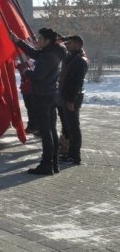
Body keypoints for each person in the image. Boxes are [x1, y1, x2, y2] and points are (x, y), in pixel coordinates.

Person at [13, 27, 67, 176]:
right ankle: (53, 163)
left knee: (46, 132)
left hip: (44, 96)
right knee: (51, 130)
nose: (38, 41)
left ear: (48, 40)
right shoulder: (52, 51)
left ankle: (46, 164)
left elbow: (38, 75)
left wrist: (26, 71)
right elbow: (35, 53)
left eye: (41, 39)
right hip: (49, 94)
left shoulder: (50, 55)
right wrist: (18, 41)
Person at [57, 35, 89, 165]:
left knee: (74, 127)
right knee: (68, 126)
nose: (66, 45)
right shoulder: (71, 57)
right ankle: (69, 153)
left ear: (77, 44)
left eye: (69, 43)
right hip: (65, 96)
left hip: (72, 99)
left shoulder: (80, 60)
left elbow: (77, 83)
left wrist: (71, 101)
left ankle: (75, 156)